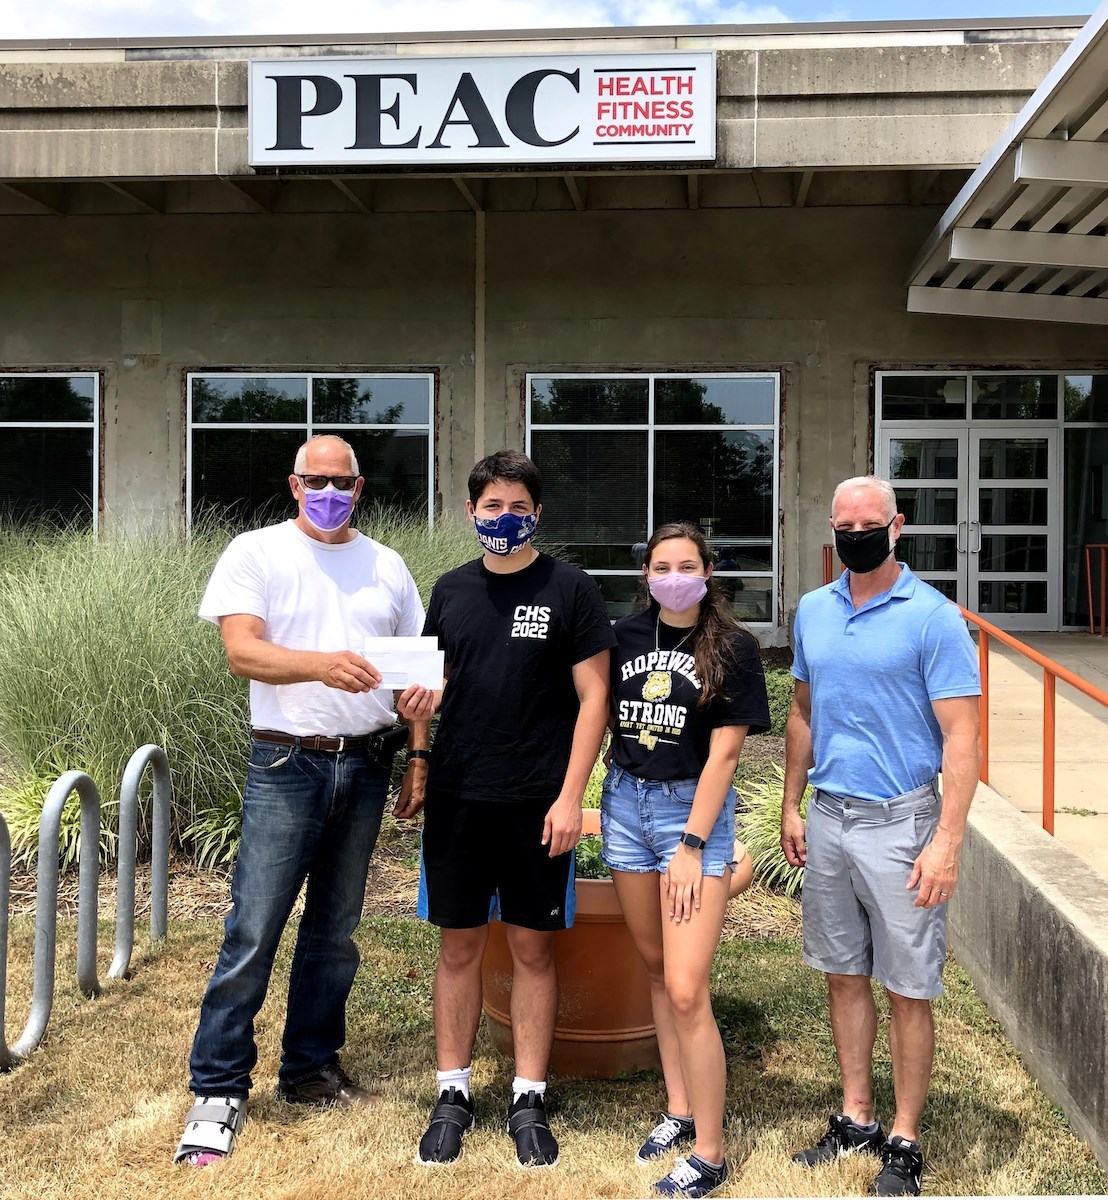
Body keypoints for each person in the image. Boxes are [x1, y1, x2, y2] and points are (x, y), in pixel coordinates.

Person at [174, 434, 433, 1167]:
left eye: (341, 483)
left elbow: (416, 668)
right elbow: (242, 651)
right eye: (315, 482)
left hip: (369, 762)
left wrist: (419, 751)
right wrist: (322, 666)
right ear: (294, 485)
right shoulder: (257, 552)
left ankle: (310, 1068)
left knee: (335, 931)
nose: (328, 494)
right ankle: (219, 1086)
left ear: (359, 488)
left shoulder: (386, 565)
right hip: (287, 760)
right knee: (254, 928)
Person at [402, 450, 615, 1170]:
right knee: (458, 947)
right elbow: (427, 687)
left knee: (531, 949)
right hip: (459, 796)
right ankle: (453, 1093)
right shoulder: (451, 589)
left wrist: (571, 796)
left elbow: (595, 699)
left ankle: (529, 1097)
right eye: (491, 506)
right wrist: (419, 752)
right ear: (471, 512)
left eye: (517, 506)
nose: (504, 517)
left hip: (537, 801)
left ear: (537, 513)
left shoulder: (570, 588)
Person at [781, 475, 981, 1197]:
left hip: (903, 823)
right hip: (830, 816)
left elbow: (963, 737)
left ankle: (904, 1138)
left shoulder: (933, 618)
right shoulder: (814, 610)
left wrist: (947, 841)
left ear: (897, 527)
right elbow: (803, 711)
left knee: (906, 987)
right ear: (832, 529)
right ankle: (856, 1116)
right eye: (846, 526)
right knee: (842, 974)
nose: (857, 536)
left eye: (871, 525)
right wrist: (791, 804)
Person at [602, 522, 770, 1199]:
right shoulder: (621, 638)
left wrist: (694, 848)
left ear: (708, 572)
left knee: (686, 988)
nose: (674, 577)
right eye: (662, 567)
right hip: (624, 807)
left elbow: (725, 755)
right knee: (655, 968)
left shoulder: (732, 646)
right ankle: (679, 1109)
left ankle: (710, 1153)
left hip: (688, 815)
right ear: (645, 574)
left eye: (687, 566)